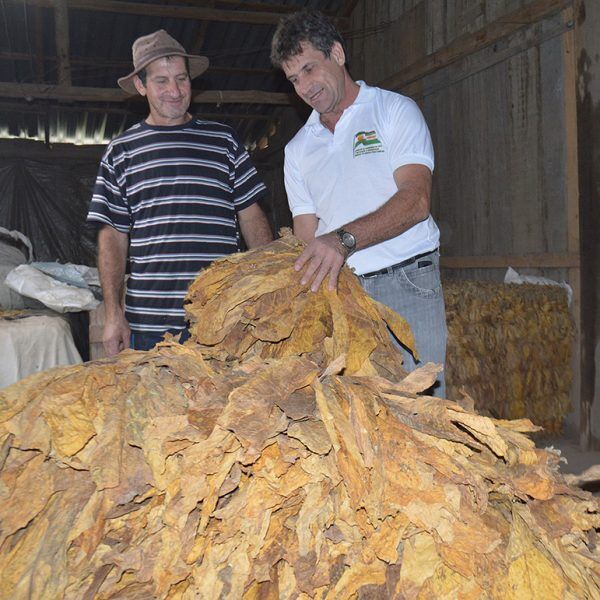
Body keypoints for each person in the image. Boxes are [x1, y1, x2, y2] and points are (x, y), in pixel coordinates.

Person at [270, 10, 447, 395]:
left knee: (422, 409)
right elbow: (305, 236)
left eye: (309, 69)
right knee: (357, 418)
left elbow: (416, 200)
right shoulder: (298, 149)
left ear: (337, 53)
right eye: (294, 79)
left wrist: (342, 240)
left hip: (406, 283)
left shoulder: (393, 111)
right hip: (341, 293)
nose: (304, 86)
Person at [88, 30, 272, 356]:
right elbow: (112, 237)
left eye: (181, 79)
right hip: (149, 329)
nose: (174, 91)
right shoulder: (121, 152)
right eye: (161, 81)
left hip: (222, 321)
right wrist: (114, 315)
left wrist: (270, 287)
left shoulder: (224, 142)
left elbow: (252, 217)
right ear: (141, 86)